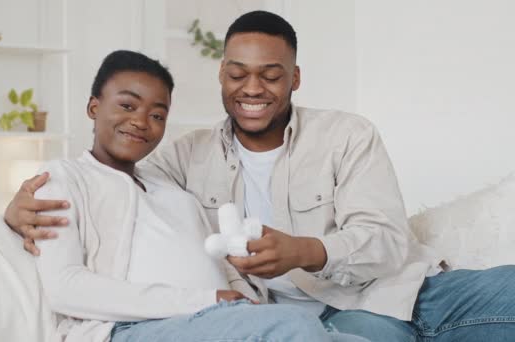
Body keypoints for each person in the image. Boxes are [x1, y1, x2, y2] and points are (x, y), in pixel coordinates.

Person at [6, 11, 515, 342]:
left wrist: (305, 251)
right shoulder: (180, 158)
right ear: (221, 76)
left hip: (400, 290)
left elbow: (385, 241)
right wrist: (14, 211)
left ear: (294, 78)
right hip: (322, 320)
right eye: (237, 74)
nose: (252, 88)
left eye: (271, 75)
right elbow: (112, 182)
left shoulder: (346, 135)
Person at [32, 49, 365, 342]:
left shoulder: (170, 188)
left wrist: (246, 301)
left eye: (157, 115)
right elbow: (65, 287)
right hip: (128, 329)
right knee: (292, 328)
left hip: (218, 319)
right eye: (127, 105)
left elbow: (222, 266)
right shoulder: (62, 178)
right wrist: (209, 300)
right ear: (94, 106)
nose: (140, 122)